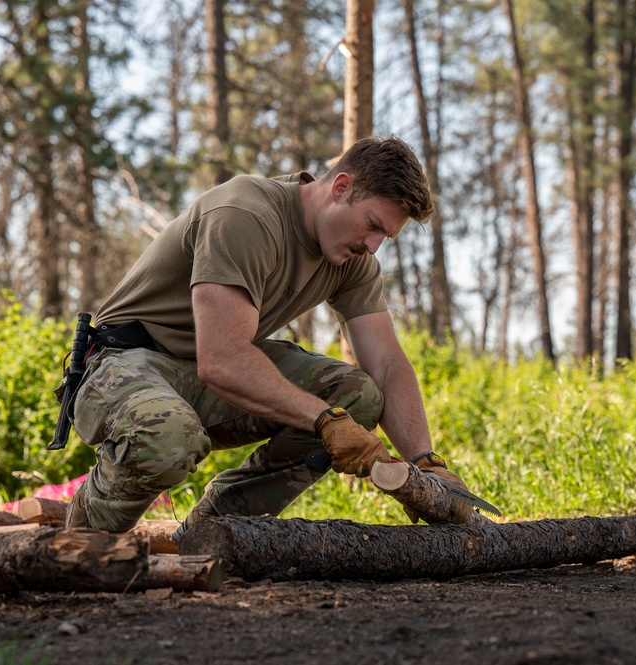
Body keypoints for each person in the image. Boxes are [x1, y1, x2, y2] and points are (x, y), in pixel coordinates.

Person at [64, 135, 470, 536]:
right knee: (166, 437)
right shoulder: (245, 215)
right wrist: (324, 421)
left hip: (205, 378)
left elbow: (386, 363)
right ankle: (82, 533)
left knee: (356, 395)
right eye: (372, 226)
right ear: (341, 187)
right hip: (123, 366)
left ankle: (220, 528)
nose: (373, 246)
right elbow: (222, 360)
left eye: (386, 237)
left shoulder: (352, 258)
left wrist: (424, 461)